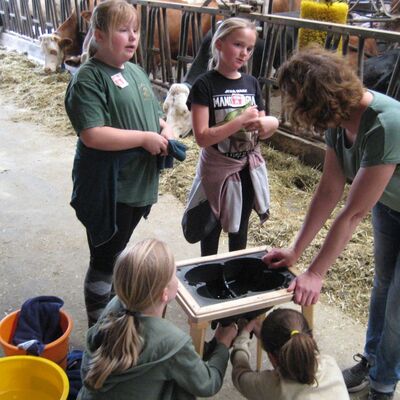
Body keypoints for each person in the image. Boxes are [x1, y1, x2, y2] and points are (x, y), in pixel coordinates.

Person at [263, 46, 400, 400]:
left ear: (315, 99)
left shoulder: (386, 123)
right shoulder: (337, 123)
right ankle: (371, 361)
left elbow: (352, 213)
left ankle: (383, 386)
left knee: (399, 303)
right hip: (390, 203)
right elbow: (328, 190)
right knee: (383, 285)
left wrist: (316, 272)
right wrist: (296, 251)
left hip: (386, 200)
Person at [64, 0, 175, 327]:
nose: (132, 38)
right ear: (98, 34)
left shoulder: (135, 71)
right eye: (123, 30)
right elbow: (93, 134)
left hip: (134, 187)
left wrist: (164, 128)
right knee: (104, 258)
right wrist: (143, 139)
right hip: (108, 189)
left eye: (136, 30)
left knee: (117, 254)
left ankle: (115, 314)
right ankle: (99, 329)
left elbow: (155, 114)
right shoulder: (88, 78)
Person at [77, 238, 238, 400]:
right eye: (174, 274)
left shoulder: (116, 306)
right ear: (164, 293)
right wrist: (222, 342)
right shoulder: (173, 343)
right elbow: (208, 384)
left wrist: (208, 348)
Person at [184, 17, 279, 256]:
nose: (244, 53)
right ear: (219, 44)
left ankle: (235, 275)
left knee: (240, 230)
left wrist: (270, 124)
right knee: (211, 229)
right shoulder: (204, 85)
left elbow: (261, 132)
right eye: (238, 45)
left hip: (245, 168)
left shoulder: (252, 83)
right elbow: (202, 137)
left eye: (249, 48)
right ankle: (210, 279)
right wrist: (238, 121)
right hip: (216, 168)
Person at [230, 308, 349, 399]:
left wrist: (242, 338)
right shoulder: (330, 364)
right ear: (310, 339)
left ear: (271, 356)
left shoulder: (272, 386)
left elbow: (240, 376)